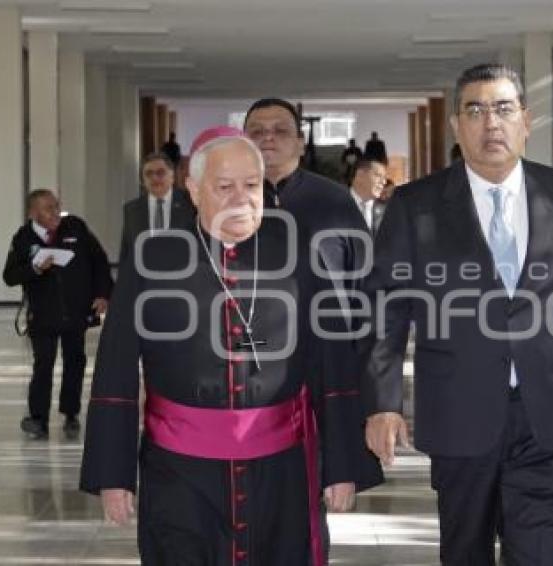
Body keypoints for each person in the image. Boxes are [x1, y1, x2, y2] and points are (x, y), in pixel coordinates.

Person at [362, 63, 553, 565]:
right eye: (475, 111)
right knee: (465, 550)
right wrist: (383, 402)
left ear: (526, 120)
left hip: (548, 411)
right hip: (460, 411)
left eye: (503, 109)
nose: (490, 123)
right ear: (456, 126)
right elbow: (388, 310)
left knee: (539, 552)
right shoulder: (416, 205)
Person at [80, 126, 364, 565]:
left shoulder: (300, 250)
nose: (241, 197)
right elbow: (116, 367)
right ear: (193, 190)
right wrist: (113, 474)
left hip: (281, 472)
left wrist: (343, 465)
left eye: (251, 185)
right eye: (224, 186)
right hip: (180, 474)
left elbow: (332, 364)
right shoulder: (154, 257)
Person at [243, 99, 383, 549]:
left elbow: (362, 285)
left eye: (280, 130)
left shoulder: (332, 201)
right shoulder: (220, 200)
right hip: (240, 369)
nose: (268, 138)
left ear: (301, 143)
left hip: (319, 364)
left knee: (306, 497)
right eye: (257, 130)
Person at [3, 189, 112, 439]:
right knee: (43, 365)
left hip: (75, 311)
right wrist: (34, 268)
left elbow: (99, 261)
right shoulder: (23, 238)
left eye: (56, 206)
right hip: (43, 315)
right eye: (47, 208)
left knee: (75, 361)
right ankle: (38, 418)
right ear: (33, 213)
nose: (55, 212)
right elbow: (9, 276)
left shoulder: (75, 227)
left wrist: (102, 294)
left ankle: (71, 414)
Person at [118, 152, 196, 264]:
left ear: (172, 176)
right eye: (149, 174)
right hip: (144, 277)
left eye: (160, 173)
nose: (154, 178)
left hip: (182, 276)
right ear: (143, 180)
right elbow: (126, 253)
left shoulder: (191, 204)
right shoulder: (131, 209)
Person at [349, 157, 388, 236]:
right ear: (360, 175)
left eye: (384, 178)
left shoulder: (387, 209)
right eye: (378, 176)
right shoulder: (337, 204)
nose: (384, 182)